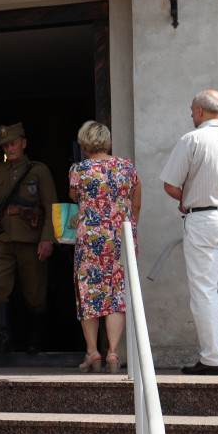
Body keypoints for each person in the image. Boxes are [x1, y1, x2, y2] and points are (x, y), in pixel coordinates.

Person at [0, 123, 57, 354]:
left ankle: (35, 341)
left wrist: (47, 239)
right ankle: (4, 341)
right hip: (2, 239)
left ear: (23, 142)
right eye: (5, 145)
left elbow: (50, 206)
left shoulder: (38, 170)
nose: (9, 148)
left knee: (35, 293)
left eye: (13, 143)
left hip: (31, 239)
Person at [161, 89, 218, 375]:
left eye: (191, 109)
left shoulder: (192, 139)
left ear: (200, 110)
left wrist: (185, 199)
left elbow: (171, 185)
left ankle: (213, 358)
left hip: (203, 218)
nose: (190, 114)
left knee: (204, 290)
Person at [69, 121, 141, 374]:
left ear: (84, 144)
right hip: (119, 239)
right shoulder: (126, 166)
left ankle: (92, 352)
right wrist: (130, 230)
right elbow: (136, 202)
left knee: (88, 293)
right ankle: (113, 352)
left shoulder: (79, 169)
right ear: (107, 142)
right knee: (116, 295)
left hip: (90, 240)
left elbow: (75, 197)